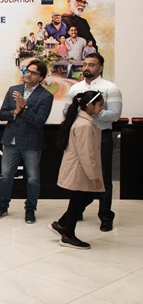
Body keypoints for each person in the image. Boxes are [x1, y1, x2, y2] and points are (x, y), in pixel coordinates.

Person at [63, 52, 122, 232]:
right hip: (80, 136)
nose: (87, 68)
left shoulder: (110, 88)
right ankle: (76, 212)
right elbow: (66, 112)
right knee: (80, 176)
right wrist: (82, 113)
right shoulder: (75, 88)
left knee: (103, 178)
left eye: (92, 65)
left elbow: (115, 115)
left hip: (101, 136)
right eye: (85, 64)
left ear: (101, 68)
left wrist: (92, 112)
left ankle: (105, 216)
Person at [0, 59, 53, 224]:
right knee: (5, 175)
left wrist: (24, 107)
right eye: (27, 70)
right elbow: (1, 115)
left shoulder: (46, 96)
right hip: (10, 140)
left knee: (33, 178)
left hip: (31, 143)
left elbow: (39, 121)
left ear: (41, 77)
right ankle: (2, 205)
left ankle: (30, 208)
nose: (28, 74)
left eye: (34, 73)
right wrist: (15, 111)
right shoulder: (13, 90)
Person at [50, 90, 105, 249]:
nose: (102, 108)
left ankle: (62, 224)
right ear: (90, 105)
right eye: (100, 105)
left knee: (85, 198)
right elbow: (86, 153)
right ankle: (68, 235)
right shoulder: (84, 125)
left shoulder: (83, 121)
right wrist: (94, 175)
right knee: (78, 200)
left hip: (81, 169)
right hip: (80, 170)